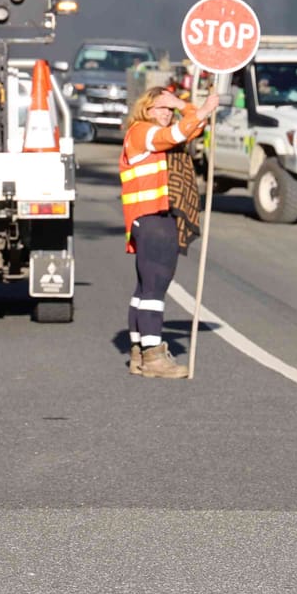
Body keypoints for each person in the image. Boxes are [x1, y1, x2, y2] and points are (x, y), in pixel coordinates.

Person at [119, 83, 220, 378]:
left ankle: (138, 352)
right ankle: (153, 358)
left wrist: (180, 102)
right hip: (152, 217)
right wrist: (197, 108)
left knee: (144, 287)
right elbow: (174, 134)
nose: (166, 113)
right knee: (155, 287)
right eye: (160, 107)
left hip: (154, 217)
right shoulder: (142, 131)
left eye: (168, 109)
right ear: (146, 109)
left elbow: (195, 127)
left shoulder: (159, 130)